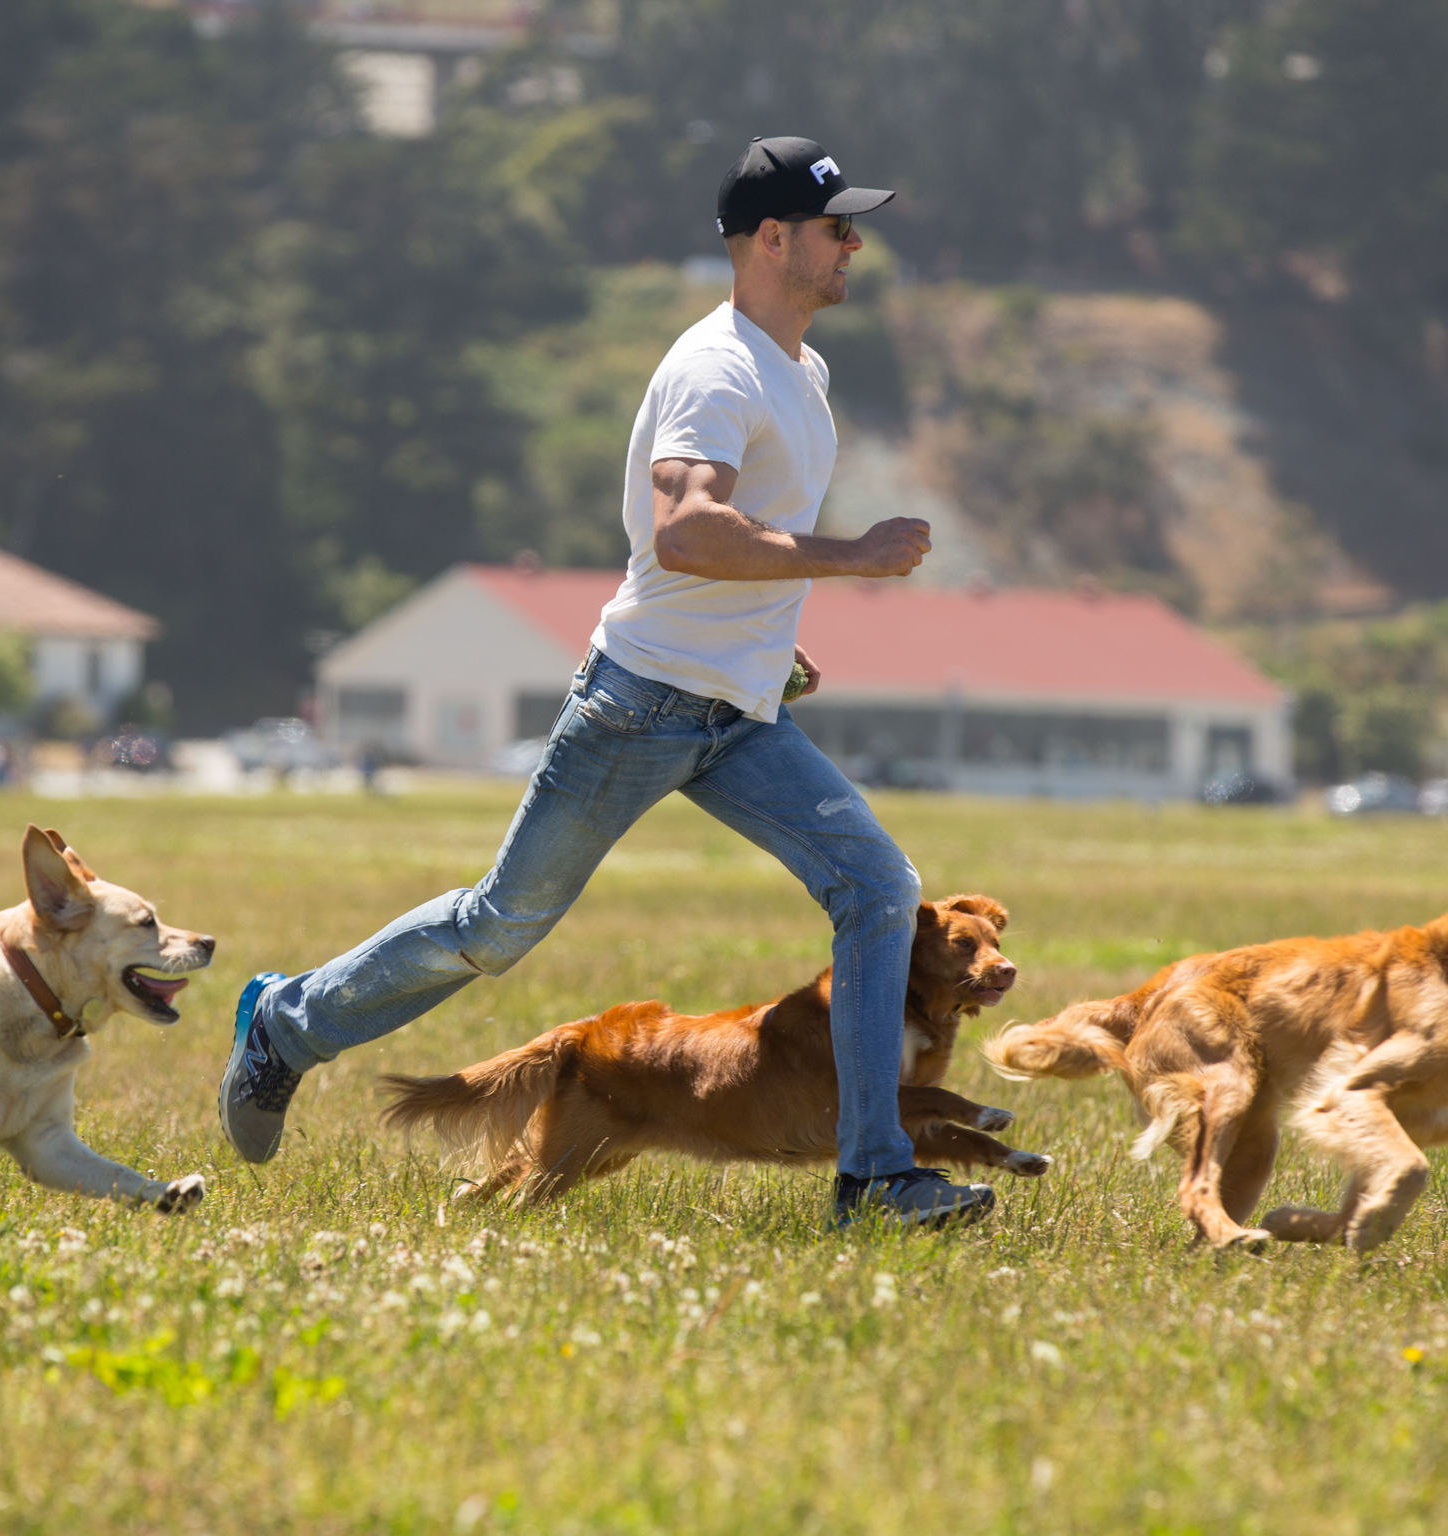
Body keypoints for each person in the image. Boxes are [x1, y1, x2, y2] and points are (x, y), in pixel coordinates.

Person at [219, 137, 995, 1228]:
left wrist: (766, 644)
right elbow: (686, 532)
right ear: (772, 239)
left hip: (739, 714)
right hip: (638, 706)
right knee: (496, 928)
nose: (854, 241)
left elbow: (724, 552)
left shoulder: (802, 371)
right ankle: (283, 1025)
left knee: (878, 888)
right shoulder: (715, 368)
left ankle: (873, 1175)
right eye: (835, 226)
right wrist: (851, 554)